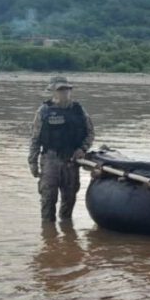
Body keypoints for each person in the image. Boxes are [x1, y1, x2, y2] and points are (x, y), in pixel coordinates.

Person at [28, 76, 95, 223]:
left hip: (71, 161)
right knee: (48, 199)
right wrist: (33, 162)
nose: (65, 92)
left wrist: (82, 149)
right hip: (50, 160)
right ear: (53, 91)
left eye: (67, 89)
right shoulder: (43, 111)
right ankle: (49, 233)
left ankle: (66, 224)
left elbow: (90, 133)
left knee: (69, 199)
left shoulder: (79, 110)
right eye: (61, 89)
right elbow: (35, 138)